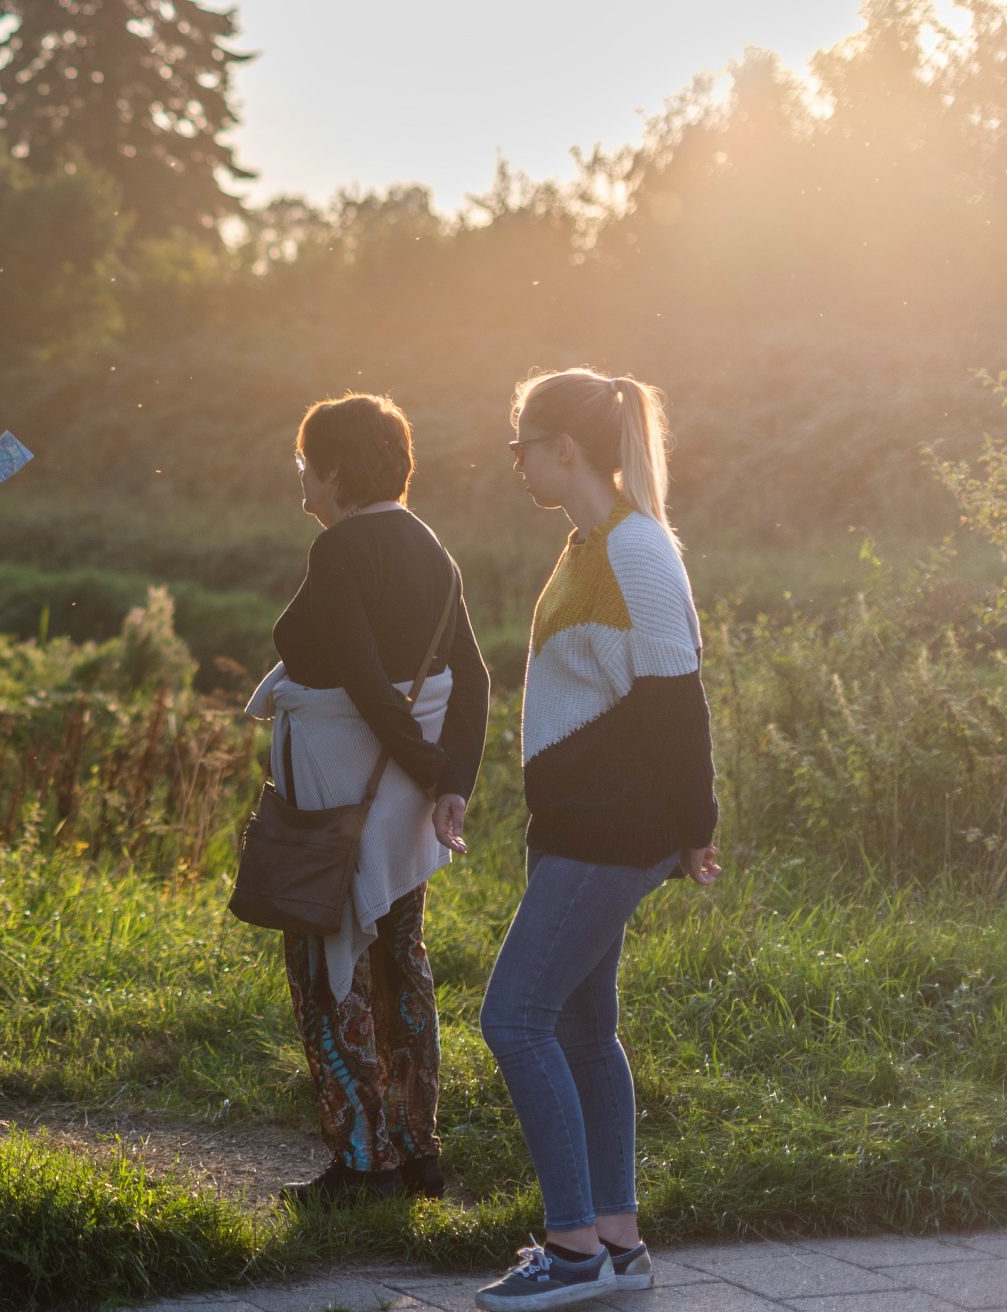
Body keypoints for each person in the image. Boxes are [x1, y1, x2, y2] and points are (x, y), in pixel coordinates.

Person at [473, 369, 720, 1310]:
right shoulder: (591, 543)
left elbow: (676, 700)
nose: (515, 463)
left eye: (519, 446)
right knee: (580, 1027)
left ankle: (573, 1253)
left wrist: (695, 829)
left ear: (562, 449)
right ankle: (617, 1242)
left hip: (612, 834)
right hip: (582, 829)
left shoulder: (638, 550)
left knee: (514, 1018)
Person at [247, 392, 490, 1207]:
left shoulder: (343, 549)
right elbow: (474, 679)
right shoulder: (434, 549)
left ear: (336, 471)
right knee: (401, 955)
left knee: (330, 964)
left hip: (343, 797)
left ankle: (360, 1165)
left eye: (305, 464)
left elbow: (357, 676)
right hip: (403, 802)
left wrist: (429, 771)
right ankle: (418, 1150)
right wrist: (451, 781)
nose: (301, 480)